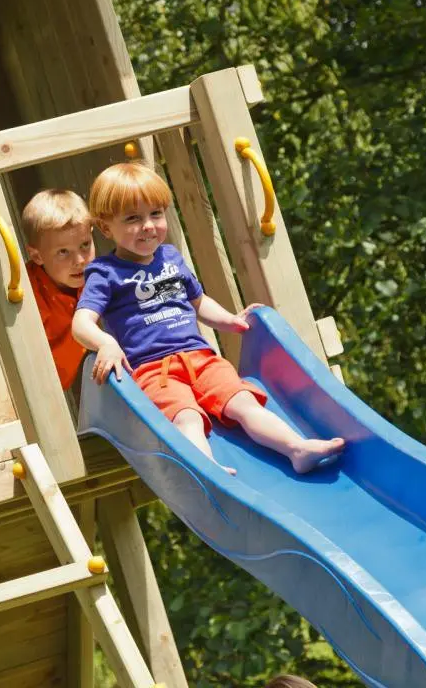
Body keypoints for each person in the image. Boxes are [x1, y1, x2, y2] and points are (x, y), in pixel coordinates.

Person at [71, 163, 344, 475]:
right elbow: (81, 322)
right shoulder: (105, 273)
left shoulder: (171, 258)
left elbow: (199, 302)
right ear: (106, 228)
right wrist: (106, 343)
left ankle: (296, 448)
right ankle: (208, 470)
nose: (148, 226)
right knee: (186, 417)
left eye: (155, 214)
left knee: (243, 401)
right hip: (154, 370)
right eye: (132, 218)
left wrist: (230, 320)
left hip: (202, 359)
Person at [22, 189, 95, 391]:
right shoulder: (29, 298)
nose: (79, 260)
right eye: (63, 252)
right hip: (32, 391)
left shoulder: (95, 279)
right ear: (37, 256)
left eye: (85, 245)